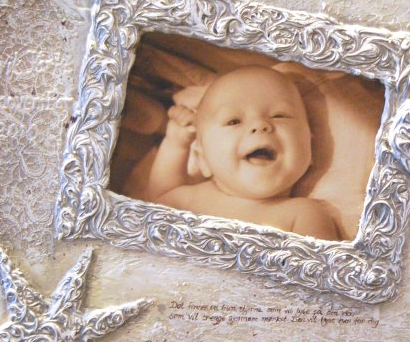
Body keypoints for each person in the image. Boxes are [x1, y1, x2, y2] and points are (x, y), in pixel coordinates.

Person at [144, 65, 339, 240]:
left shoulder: (304, 215)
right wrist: (175, 143)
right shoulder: (189, 199)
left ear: (310, 148)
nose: (260, 124)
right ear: (203, 159)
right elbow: (156, 204)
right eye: (234, 121)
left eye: (279, 115)